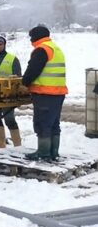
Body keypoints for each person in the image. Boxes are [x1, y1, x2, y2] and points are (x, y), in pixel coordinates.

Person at [22, 26, 68, 161]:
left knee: (42, 123)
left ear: (36, 36)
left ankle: (43, 153)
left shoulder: (42, 49)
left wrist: (24, 82)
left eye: (31, 37)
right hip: (58, 92)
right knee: (53, 123)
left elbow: (33, 70)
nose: (31, 40)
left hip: (45, 93)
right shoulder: (54, 48)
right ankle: (53, 152)